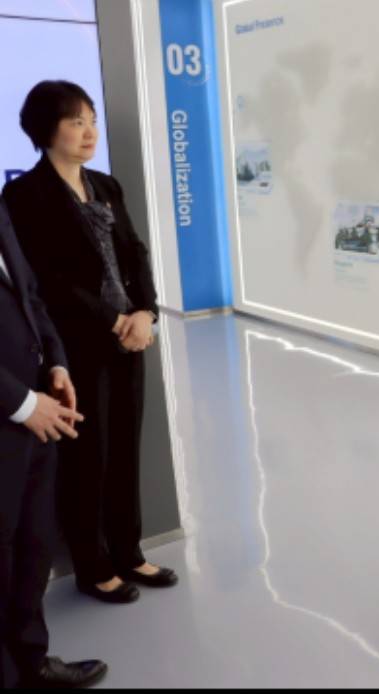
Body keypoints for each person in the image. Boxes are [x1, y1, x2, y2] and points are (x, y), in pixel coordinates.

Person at [2, 80, 177, 605]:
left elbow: (136, 252)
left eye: (92, 120)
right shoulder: (24, 195)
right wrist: (115, 320)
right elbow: (47, 279)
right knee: (87, 458)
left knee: (125, 449)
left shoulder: (105, 185)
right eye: (76, 121)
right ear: (45, 130)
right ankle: (92, 565)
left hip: (130, 339)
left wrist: (145, 313)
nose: (89, 132)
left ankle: (128, 550)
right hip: (76, 346)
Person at [0, 200, 107, 688]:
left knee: (33, 545)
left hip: (38, 413)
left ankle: (32, 662)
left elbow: (30, 295)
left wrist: (57, 364)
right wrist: (22, 403)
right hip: (18, 410)